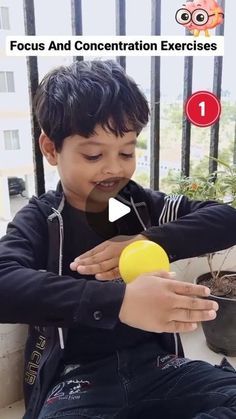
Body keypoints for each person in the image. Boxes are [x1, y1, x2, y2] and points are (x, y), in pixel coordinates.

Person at [0, 60, 236, 419]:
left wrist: (150, 239)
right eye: (94, 154)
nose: (115, 167)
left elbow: (226, 219)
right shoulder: (42, 219)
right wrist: (118, 301)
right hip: (76, 381)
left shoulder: (139, 206)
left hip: (159, 367)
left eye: (126, 151)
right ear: (50, 149)